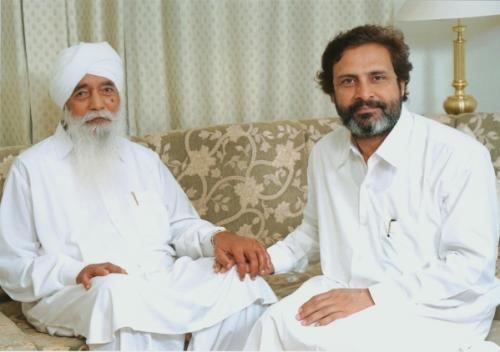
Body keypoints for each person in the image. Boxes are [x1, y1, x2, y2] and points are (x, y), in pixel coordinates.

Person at [221, 25, 500, 351]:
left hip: (438, 305)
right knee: (274, 323)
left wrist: (372, 297)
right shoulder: (325, 152)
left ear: (402, 83)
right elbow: (313, 232)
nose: (363, 94)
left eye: (377, 77)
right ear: (332, 92)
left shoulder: (458, 154)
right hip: (345, 288)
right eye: (348, 81)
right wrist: (265, 261)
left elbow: (469, 264)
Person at [0, 41, 277, 351]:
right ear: (65, 102)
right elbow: (11, 265)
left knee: (238, 280)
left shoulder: (143, 159)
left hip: (161, 280)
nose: (97, 104)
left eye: (107, 90)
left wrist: (218, 238)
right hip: (79, 290)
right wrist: (74, 270)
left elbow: (181, 225)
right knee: (117, 296)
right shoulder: (32, 168)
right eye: (82, 93)